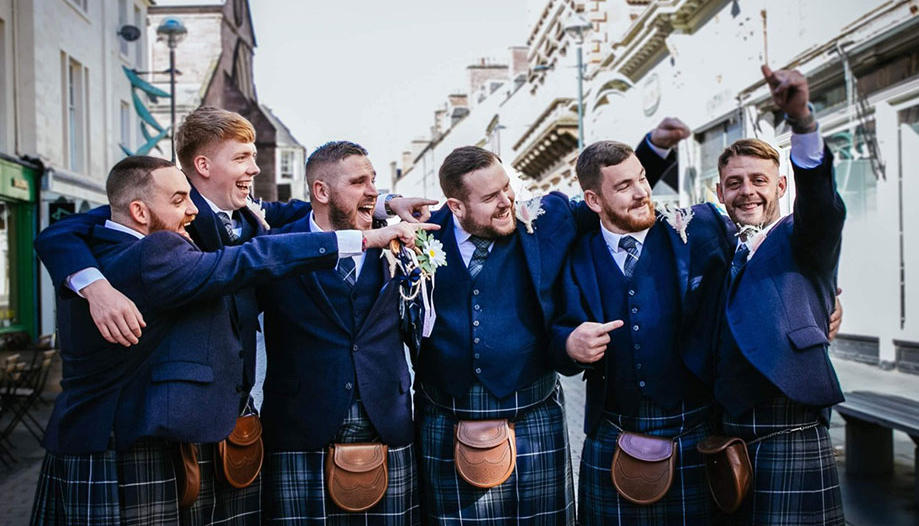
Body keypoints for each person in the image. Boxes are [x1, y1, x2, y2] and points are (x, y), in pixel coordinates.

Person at [33, 107, 433, 523]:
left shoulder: (246, 215)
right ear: (203, 166)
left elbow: (305, 208)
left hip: (233, 423)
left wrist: (384, 202)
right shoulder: (168, 221)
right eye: (242, 157)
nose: (255, 168)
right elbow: (66, 231)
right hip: (163, 423)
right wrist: (91, 284)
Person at [412, 132, 679, 525]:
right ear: (456, 206)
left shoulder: (546, 219)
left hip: (533, 411)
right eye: (490, 199)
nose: (506, 203)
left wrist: (653, 151)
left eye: (506, 189)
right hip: (450, 414)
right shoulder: (420, 237)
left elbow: (611, 196)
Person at [550, 139, 735, 524]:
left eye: (643, 179)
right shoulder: (577, 255)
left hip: (693, 429)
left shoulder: (697, 231)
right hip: (613, 432)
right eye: (624, 187)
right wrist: (569, 344)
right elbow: (556, 332)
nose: (641, 193)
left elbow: (756, 265)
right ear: (594, 200)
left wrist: (820, 295)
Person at [258, 141, 426, 524]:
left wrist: (386, 204)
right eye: (358, 182)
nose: (373, 192)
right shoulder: (276, 245)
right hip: (301, 428)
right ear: (321, 191)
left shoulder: (401, 236)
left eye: (374, 181)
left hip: (386, 422)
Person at [712, 66, 846, 524]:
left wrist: (802, 122)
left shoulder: (802, 236)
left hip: (789, 427)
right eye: (734, 183)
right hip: (723, 433)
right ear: (719, 192)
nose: (746, 191)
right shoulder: (713, 248)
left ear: (781, 187)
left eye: (759, 180)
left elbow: (823, 205)